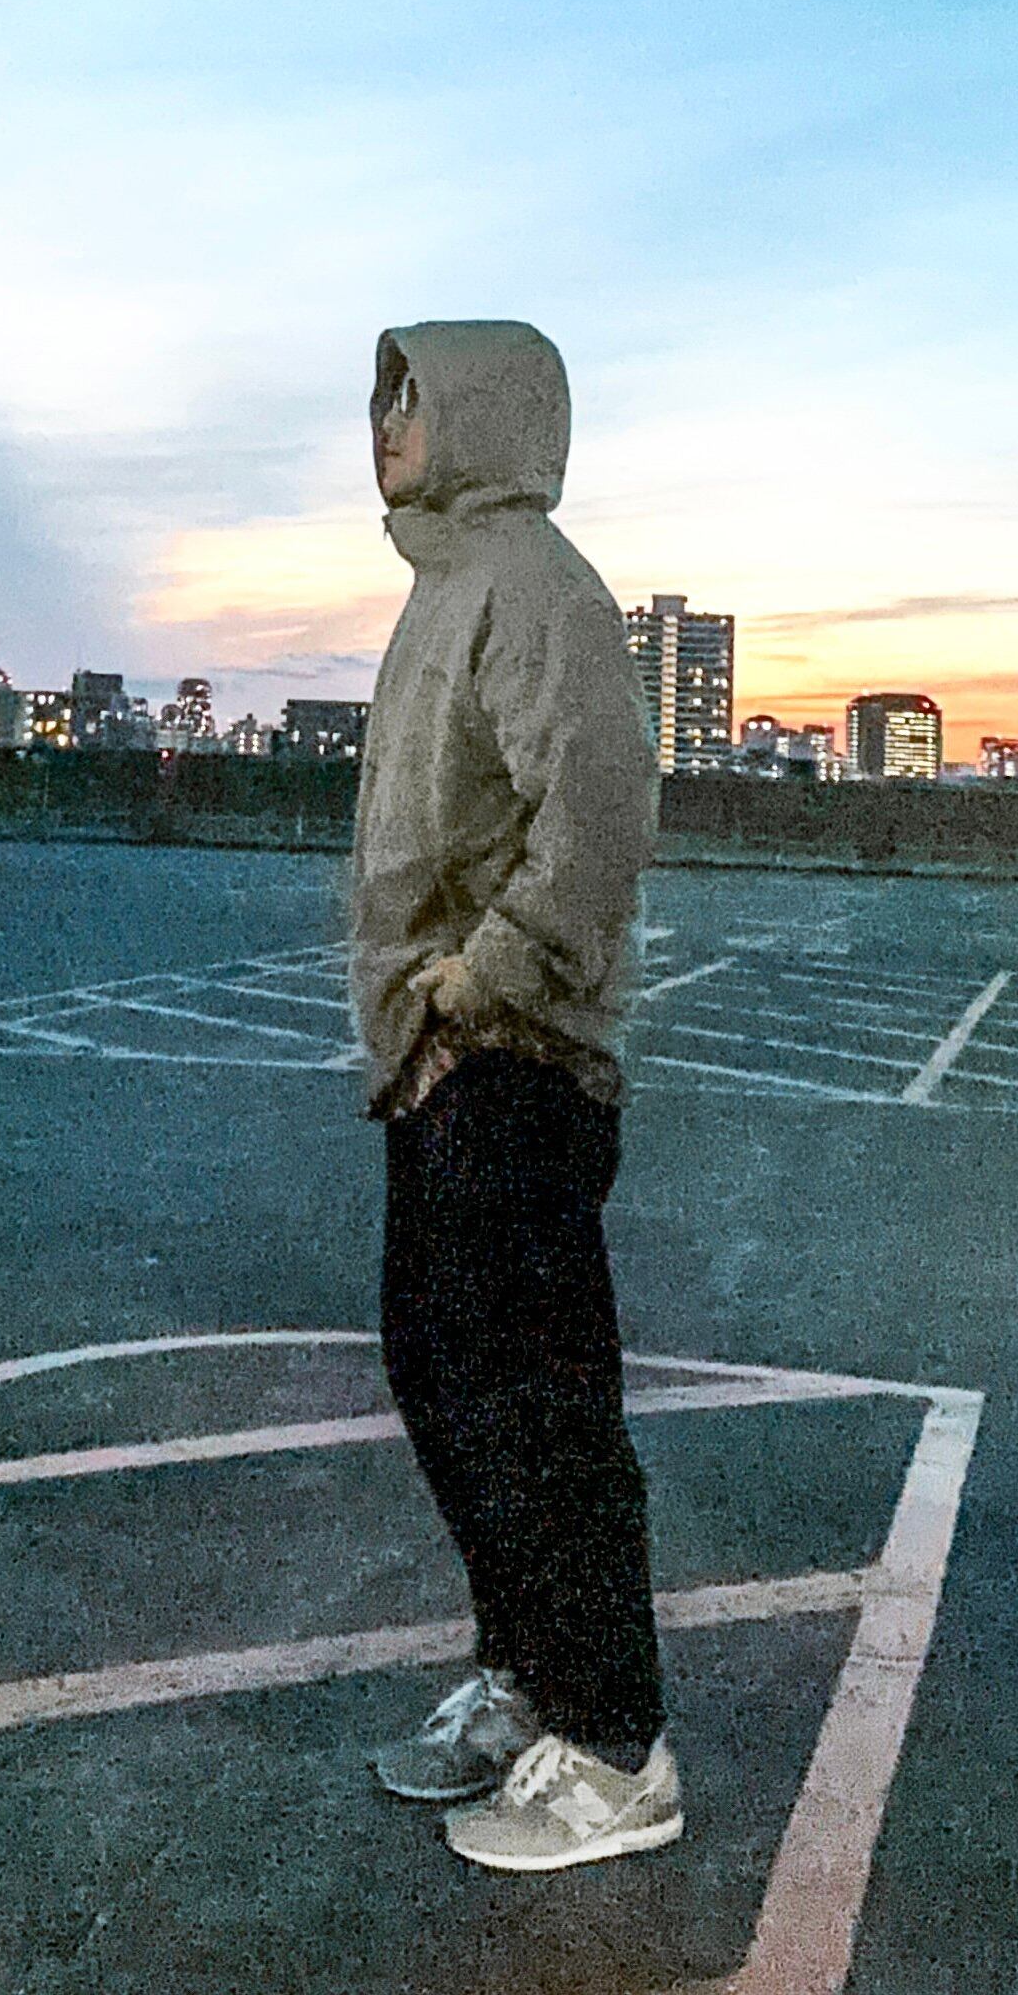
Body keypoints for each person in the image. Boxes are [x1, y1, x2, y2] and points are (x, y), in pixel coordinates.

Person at [351, 319, 677, 1873]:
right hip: (439, 1065)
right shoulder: (446, 587)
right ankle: (525, 1676)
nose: (386, 423)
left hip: (515, 1064)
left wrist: (486, 977)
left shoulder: (540, 590)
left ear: (482, 413)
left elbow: (598, 814)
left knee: (543, 1409)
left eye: (413, 397)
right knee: (450, 1389)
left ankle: (615, 1750)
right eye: (381, 398)